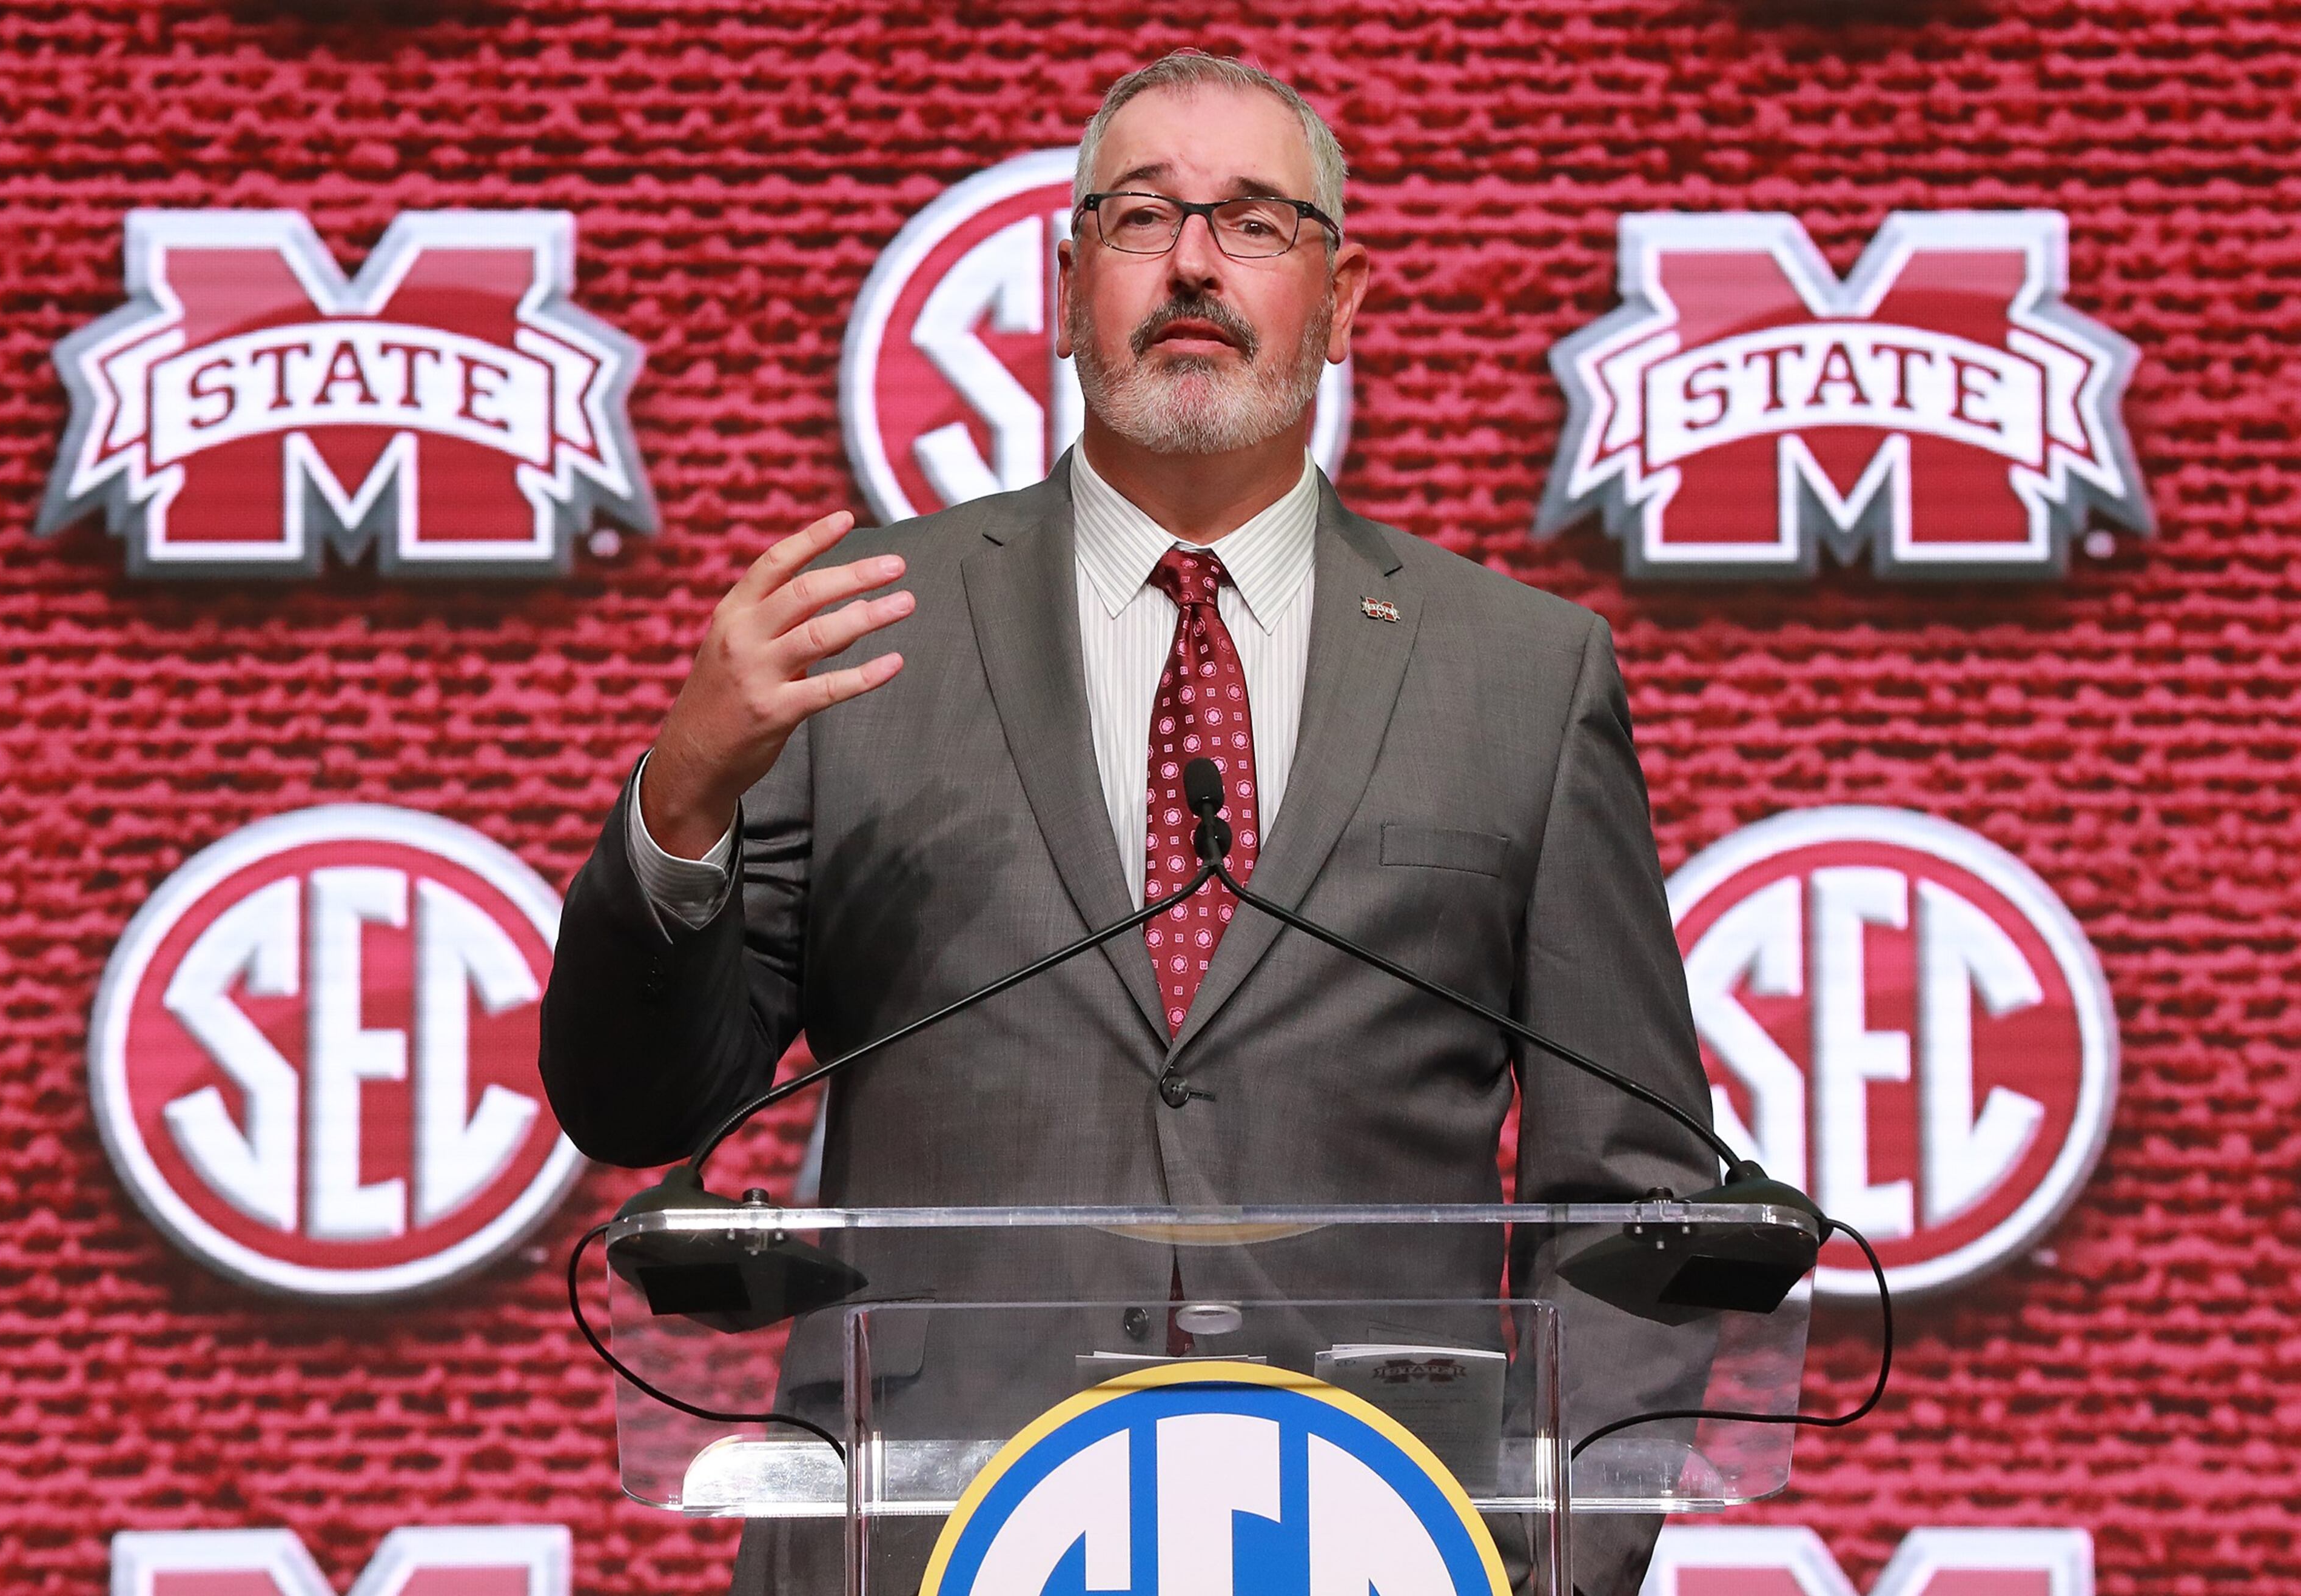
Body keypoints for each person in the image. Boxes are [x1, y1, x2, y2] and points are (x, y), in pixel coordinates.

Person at [541, 50, 1715, 1596]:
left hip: (1390, 1549)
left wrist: (1548, 1561)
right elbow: (640, 1107)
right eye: (1143, 216)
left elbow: (1630, 1201)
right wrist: (681, 794)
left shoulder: (1521, 674)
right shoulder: (864, 636)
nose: (1193, 264)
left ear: (1342, 295)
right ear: (1068, 279)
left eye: (1255, 226)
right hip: (914, 1547)